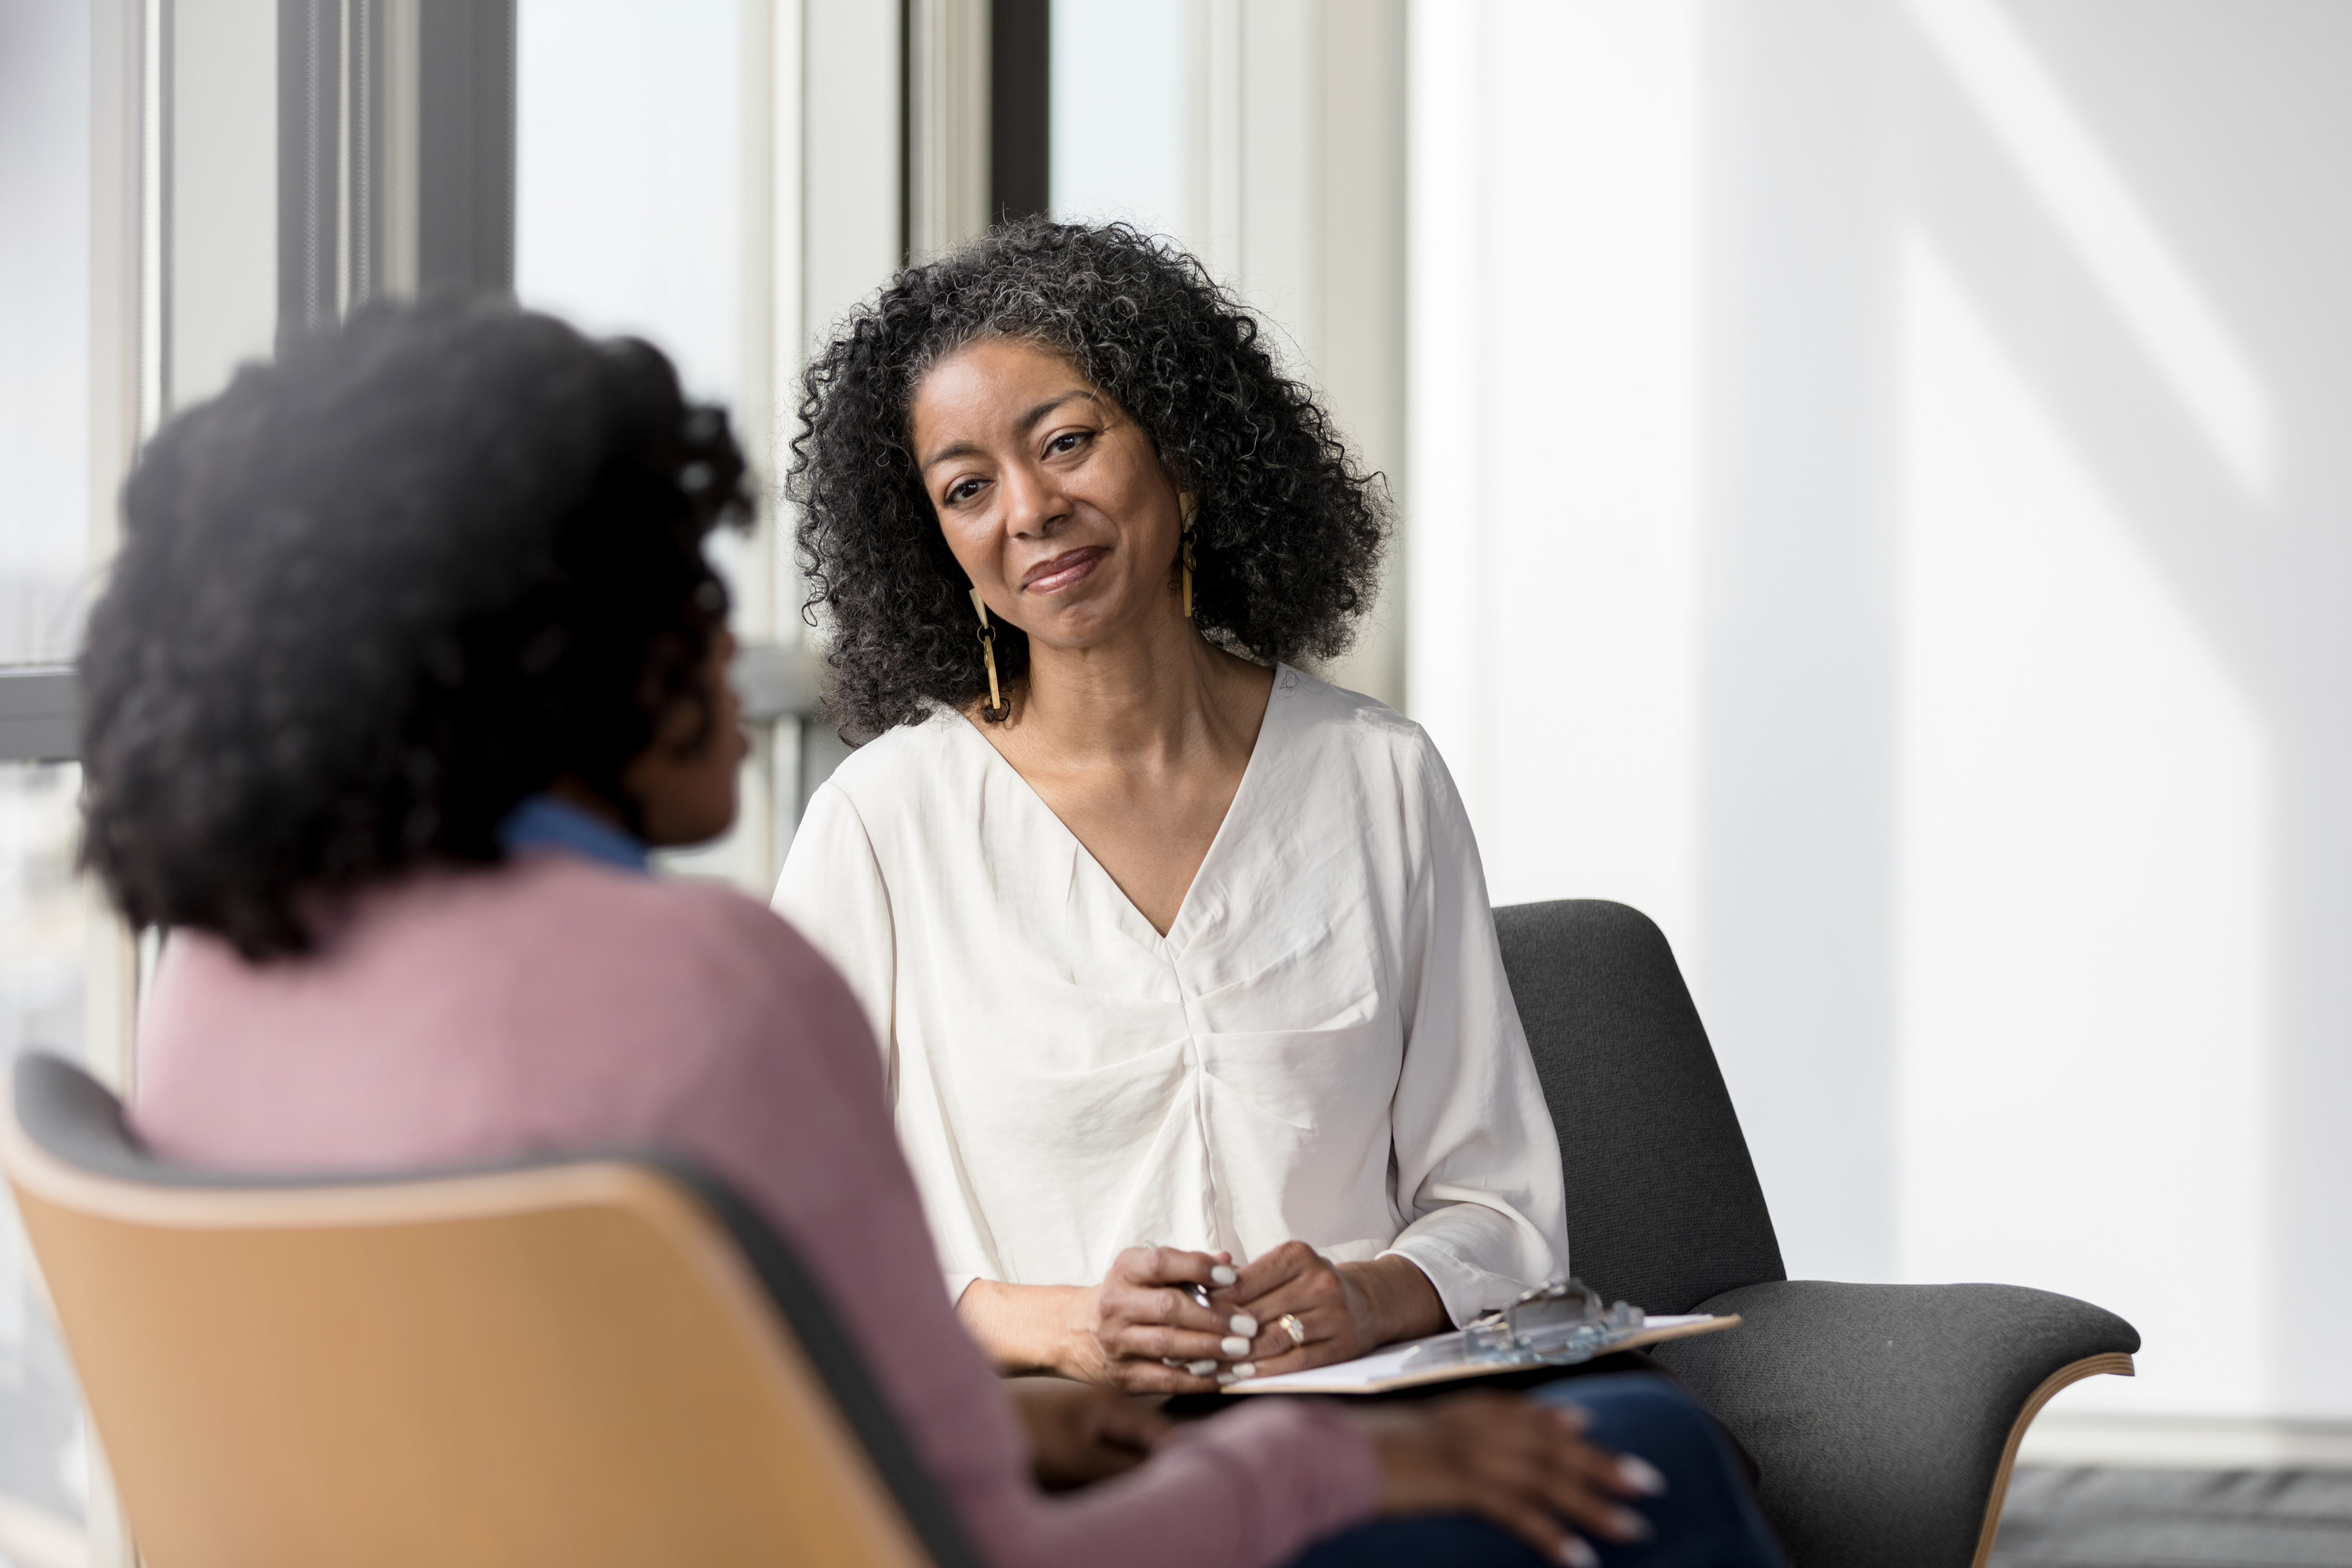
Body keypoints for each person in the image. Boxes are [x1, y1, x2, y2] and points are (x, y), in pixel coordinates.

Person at [78, 299, 1784, 1568]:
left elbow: (756, 1383)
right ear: (545, 649)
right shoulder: (716, 978)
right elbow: (955, 1528)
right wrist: (1344, 1471)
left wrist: (1058, 1405)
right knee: (1642, 1458)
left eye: (1065, 443)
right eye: (685, 594)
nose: (741, 661)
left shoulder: (220, 985)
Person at [775, 220, 1566, 1392]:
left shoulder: (1380, 781)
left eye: (1070, 441)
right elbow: (786, 1236)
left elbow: (1498, 1207)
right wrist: (1059, 1327)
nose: (1032, 509)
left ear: (1185, 458)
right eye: (968, 487)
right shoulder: (882, 827)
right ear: (934, 542)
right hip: (1061, 1452)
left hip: (1369, 1424)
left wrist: (1368, 1295)